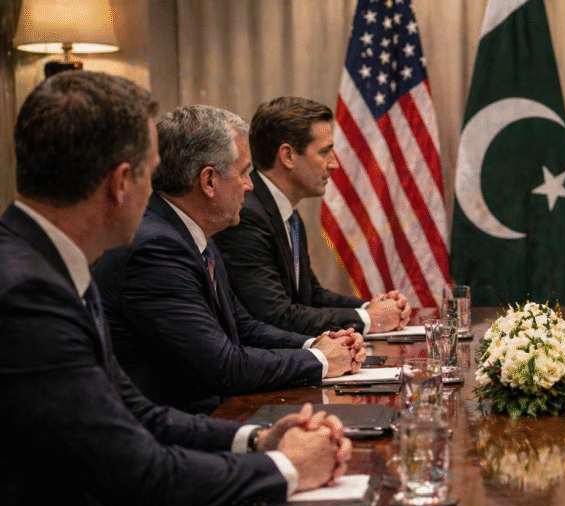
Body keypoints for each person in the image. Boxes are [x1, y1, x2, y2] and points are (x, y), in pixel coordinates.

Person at [0, 71, 351, 506]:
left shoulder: (51, 262)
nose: (157, 191)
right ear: (121, 183)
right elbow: (141, 478)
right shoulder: (28, 292)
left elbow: (137, 413)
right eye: (151, 171)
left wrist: (256, 440)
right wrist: (285, 467)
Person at [93, 105, 364, 414]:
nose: (249, 186)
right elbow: (222, 366)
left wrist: (315, 345)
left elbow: (243, 326)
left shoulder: (189, 232)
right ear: (208, 181)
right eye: (244, 172)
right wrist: (320, 361)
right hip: (180, 433)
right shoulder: (155, 249)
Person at [213, 96, 410, 336]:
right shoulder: (246, 217)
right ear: (287, 156)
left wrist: (371, 307)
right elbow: (274, 315)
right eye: (325, 152)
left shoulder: (288, 215)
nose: (334, 164)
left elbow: (311, 296)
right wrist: (369, 318)